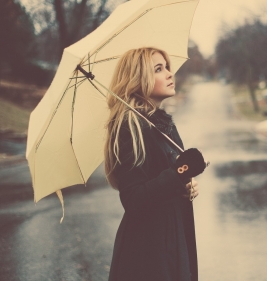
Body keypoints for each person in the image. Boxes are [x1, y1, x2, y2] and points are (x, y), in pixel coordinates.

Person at [104, 47, 207, 281]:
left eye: (167, 67)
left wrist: (187, 186)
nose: (169, 74)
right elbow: (133, 198)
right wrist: (181, 172)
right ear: (138, 80)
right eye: (158, 69)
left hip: (170, 241)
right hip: (148, 255)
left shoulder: (161, 123)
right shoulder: (130, 127)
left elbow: (166, 181)